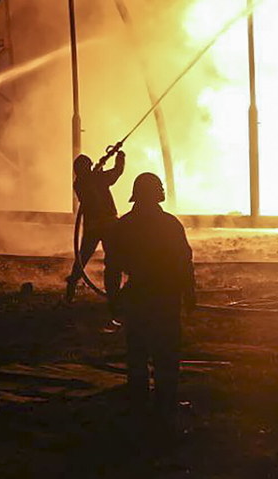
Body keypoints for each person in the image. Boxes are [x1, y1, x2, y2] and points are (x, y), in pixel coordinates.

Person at [105, 172, 196, 420]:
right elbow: (184, 262)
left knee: (137, 353)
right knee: (166, 354)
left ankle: (139, 406)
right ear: (157, 194)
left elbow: (112, 266)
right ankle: (165, 407)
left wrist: (113, 299)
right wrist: (189, 294)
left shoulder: (123, 226)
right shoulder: (169, 224)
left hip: (138, 296)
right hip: (166, 296)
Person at [65, 147, 126, 303]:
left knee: (83, 257)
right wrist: (120, 156)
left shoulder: (79, 183)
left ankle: (71, 286)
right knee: (113, 260)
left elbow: (94, 181)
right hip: (108, 225)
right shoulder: (95, 179)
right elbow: (117, 172)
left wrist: (101, 165)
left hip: (92, 227)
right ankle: (114, 294)